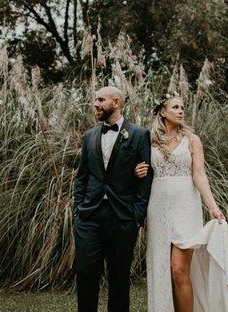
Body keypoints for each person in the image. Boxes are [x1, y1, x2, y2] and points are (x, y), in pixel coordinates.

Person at [135, 92, 228, 312]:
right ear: (162, 112)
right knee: (163, 269)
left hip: (186, 206)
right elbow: (140, 172)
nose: (181, 111)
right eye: (175, 107)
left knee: (178, 270)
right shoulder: (148, 140)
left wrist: (213, 207)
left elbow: (199, 175)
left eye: (182, 107)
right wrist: (137, 171)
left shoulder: (192, 139)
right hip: (158, 206)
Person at [74, 86, 153, 312]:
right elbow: (82, 177)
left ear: (116, 102)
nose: (95, 104)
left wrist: (137, 215)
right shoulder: (89, 136)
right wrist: (78, 211)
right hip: (89, 217)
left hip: (122, 217)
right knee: (85, 273)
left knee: (119, 278)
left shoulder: (139, 134)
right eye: (94, 100)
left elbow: (146, 177)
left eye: (100, 99)